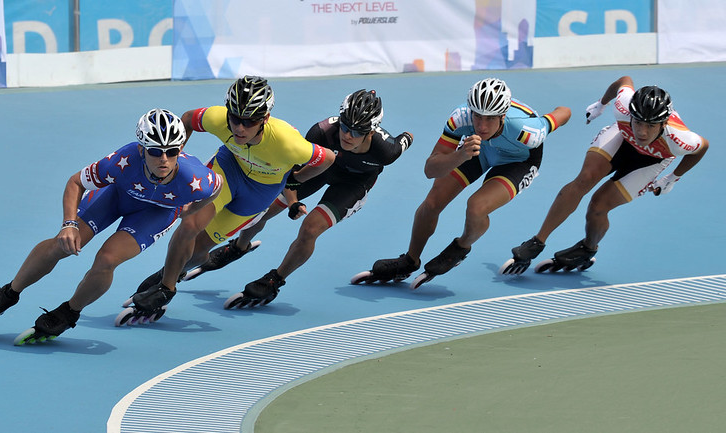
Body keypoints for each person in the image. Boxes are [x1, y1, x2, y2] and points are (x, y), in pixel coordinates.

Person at [0, 108, 221, 344]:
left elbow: (214, 191)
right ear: (141, 149)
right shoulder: (122, 161)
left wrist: (189, 210)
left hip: (157, 211)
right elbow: (76, 182)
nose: (164, 159)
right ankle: (9, 294)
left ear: (180, 150)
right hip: (118, 196)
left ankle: (69, 312)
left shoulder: (197, 178)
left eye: (172, 151)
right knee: (64, 244)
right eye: (155, 151)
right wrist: (68, 224)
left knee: (106, 259)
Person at [186, 89, 413, 308]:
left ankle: (275, 280)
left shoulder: (387, 151)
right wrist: (293, 202)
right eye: (345, 127)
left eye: (356, 132)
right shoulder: (321, 132)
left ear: (371, 132)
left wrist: (406, 137)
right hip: (318, 171)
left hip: (353, 184)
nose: (347, 135)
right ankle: (238, 247)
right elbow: (291, 177)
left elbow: (407, 138)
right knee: (264, 210)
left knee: (310, 229)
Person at [132, 76, 336, 310]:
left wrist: (296, 178)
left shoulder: (289, 143)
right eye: (235, 118)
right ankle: (167, 288)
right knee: (189, 225)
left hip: (259, 191)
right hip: (227, 170)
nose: (239, 128)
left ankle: (180, 267)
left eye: (249, 122)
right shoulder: (218, 118)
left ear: (264, 118)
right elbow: (187, 119)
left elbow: (327, 158)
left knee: (198, 252)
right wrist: (174, 163)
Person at [361, 77, 571, 289]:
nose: (481, 125)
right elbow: (430, 169)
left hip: (519, 161)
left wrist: (570, 109)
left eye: (490, 119)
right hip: (478, 150)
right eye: (477, 116)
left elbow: (563, 112)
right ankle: (410, 260)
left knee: (476, 207)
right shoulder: (461, 118)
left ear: (503, 116)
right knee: (433, 202)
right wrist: (460, 155)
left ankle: (461, 247)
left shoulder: (528, 131)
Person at [500, 76, 708, 274]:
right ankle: (538, 241)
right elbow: (624, 81)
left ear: (663, 125)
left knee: (598, 206)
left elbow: (702, 147)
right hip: (622, 140)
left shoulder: (681, 139)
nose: (642, 132)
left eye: (651, 126)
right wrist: (602, 104)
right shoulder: (624, 107)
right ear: (631, 116)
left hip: (652, 160)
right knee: (584, 180)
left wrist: (673, 177)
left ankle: (588, 248)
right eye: (638, 122)